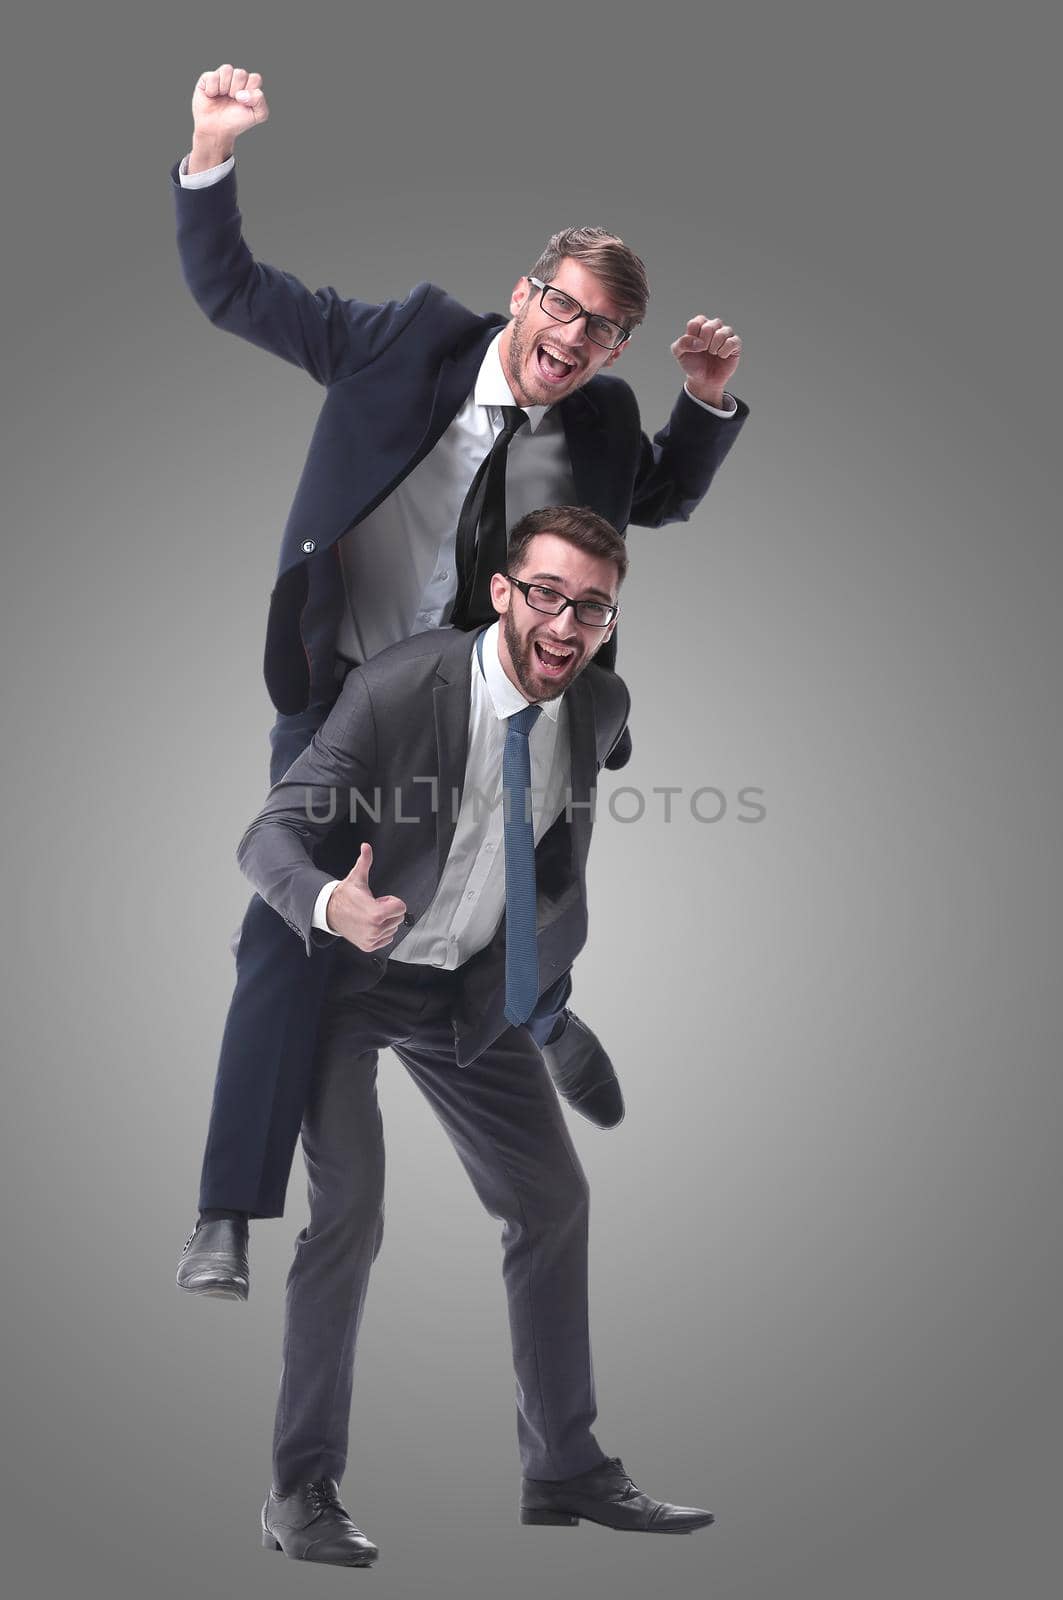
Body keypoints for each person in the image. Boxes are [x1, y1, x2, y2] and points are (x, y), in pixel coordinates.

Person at [173, 63, 748, 1299]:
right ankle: (226, 1210)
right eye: (568, 311)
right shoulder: (397, 343)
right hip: (344, 696)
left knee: (520, 878)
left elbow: (654, 497)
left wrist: (701, 409)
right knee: (288, 931)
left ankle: (541, 1012)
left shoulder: (597, 420)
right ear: (523, 294)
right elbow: (232, 290)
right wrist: (214, 152)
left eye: (606, 333)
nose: (578, 344)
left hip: (490, 694)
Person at [238, 508, 715, 1565]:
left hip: (468, 990)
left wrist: (544, 998)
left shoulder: (598, 701)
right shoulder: (400, 687)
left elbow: (546, 851)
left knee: (551, 1200)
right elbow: (265, 832)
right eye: (545, 592)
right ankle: (299, 1487)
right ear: (501, 590)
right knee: (350, 1210)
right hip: (354, 983)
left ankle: (565, 1467)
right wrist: (328, 904)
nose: (565, 621)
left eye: (590, 605)